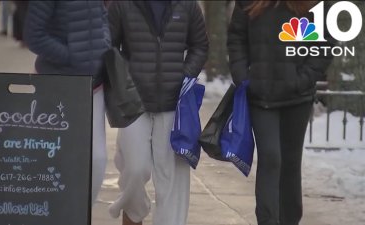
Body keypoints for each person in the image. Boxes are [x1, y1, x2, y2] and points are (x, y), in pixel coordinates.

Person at [227, 1, 334, 225]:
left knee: (290, 163)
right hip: (261, 97)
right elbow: (236, 36)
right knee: (270, 158)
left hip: (297, 97)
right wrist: (243, 77)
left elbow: (326, 41)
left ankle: (289, 220)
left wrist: (303, 79)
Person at [107, 1, 208, 225]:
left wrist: (184, 75)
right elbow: (109, 47)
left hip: (175, 104)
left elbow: (199, 45)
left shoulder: (188, 5)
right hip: (134, 103)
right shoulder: (122, 5)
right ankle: (134, 212)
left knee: (173, 179)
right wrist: (126, 80)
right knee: (134, 169)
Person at [24, 0, 111, 208]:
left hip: (93, 85)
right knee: (54, 159)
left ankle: (80, 213)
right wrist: (73, 56)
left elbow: (103, 18)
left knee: (96, 160)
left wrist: (104, 45)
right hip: (57, 84)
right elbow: (33, 36)